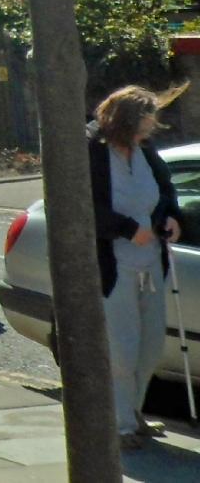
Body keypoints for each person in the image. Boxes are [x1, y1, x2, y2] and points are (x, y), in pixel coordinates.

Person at [88, 83, 185, 449]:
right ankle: (121, 425)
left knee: (151, 345)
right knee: (122, 348)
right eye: (146, 121)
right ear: (126, 120)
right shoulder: (93, 152)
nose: (152, 128)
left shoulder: (144, 148)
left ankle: (134, 412)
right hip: (115, 266)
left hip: (151, 262)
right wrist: (128, 230)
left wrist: (171, 217)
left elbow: (165, 190)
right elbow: (85, 207)